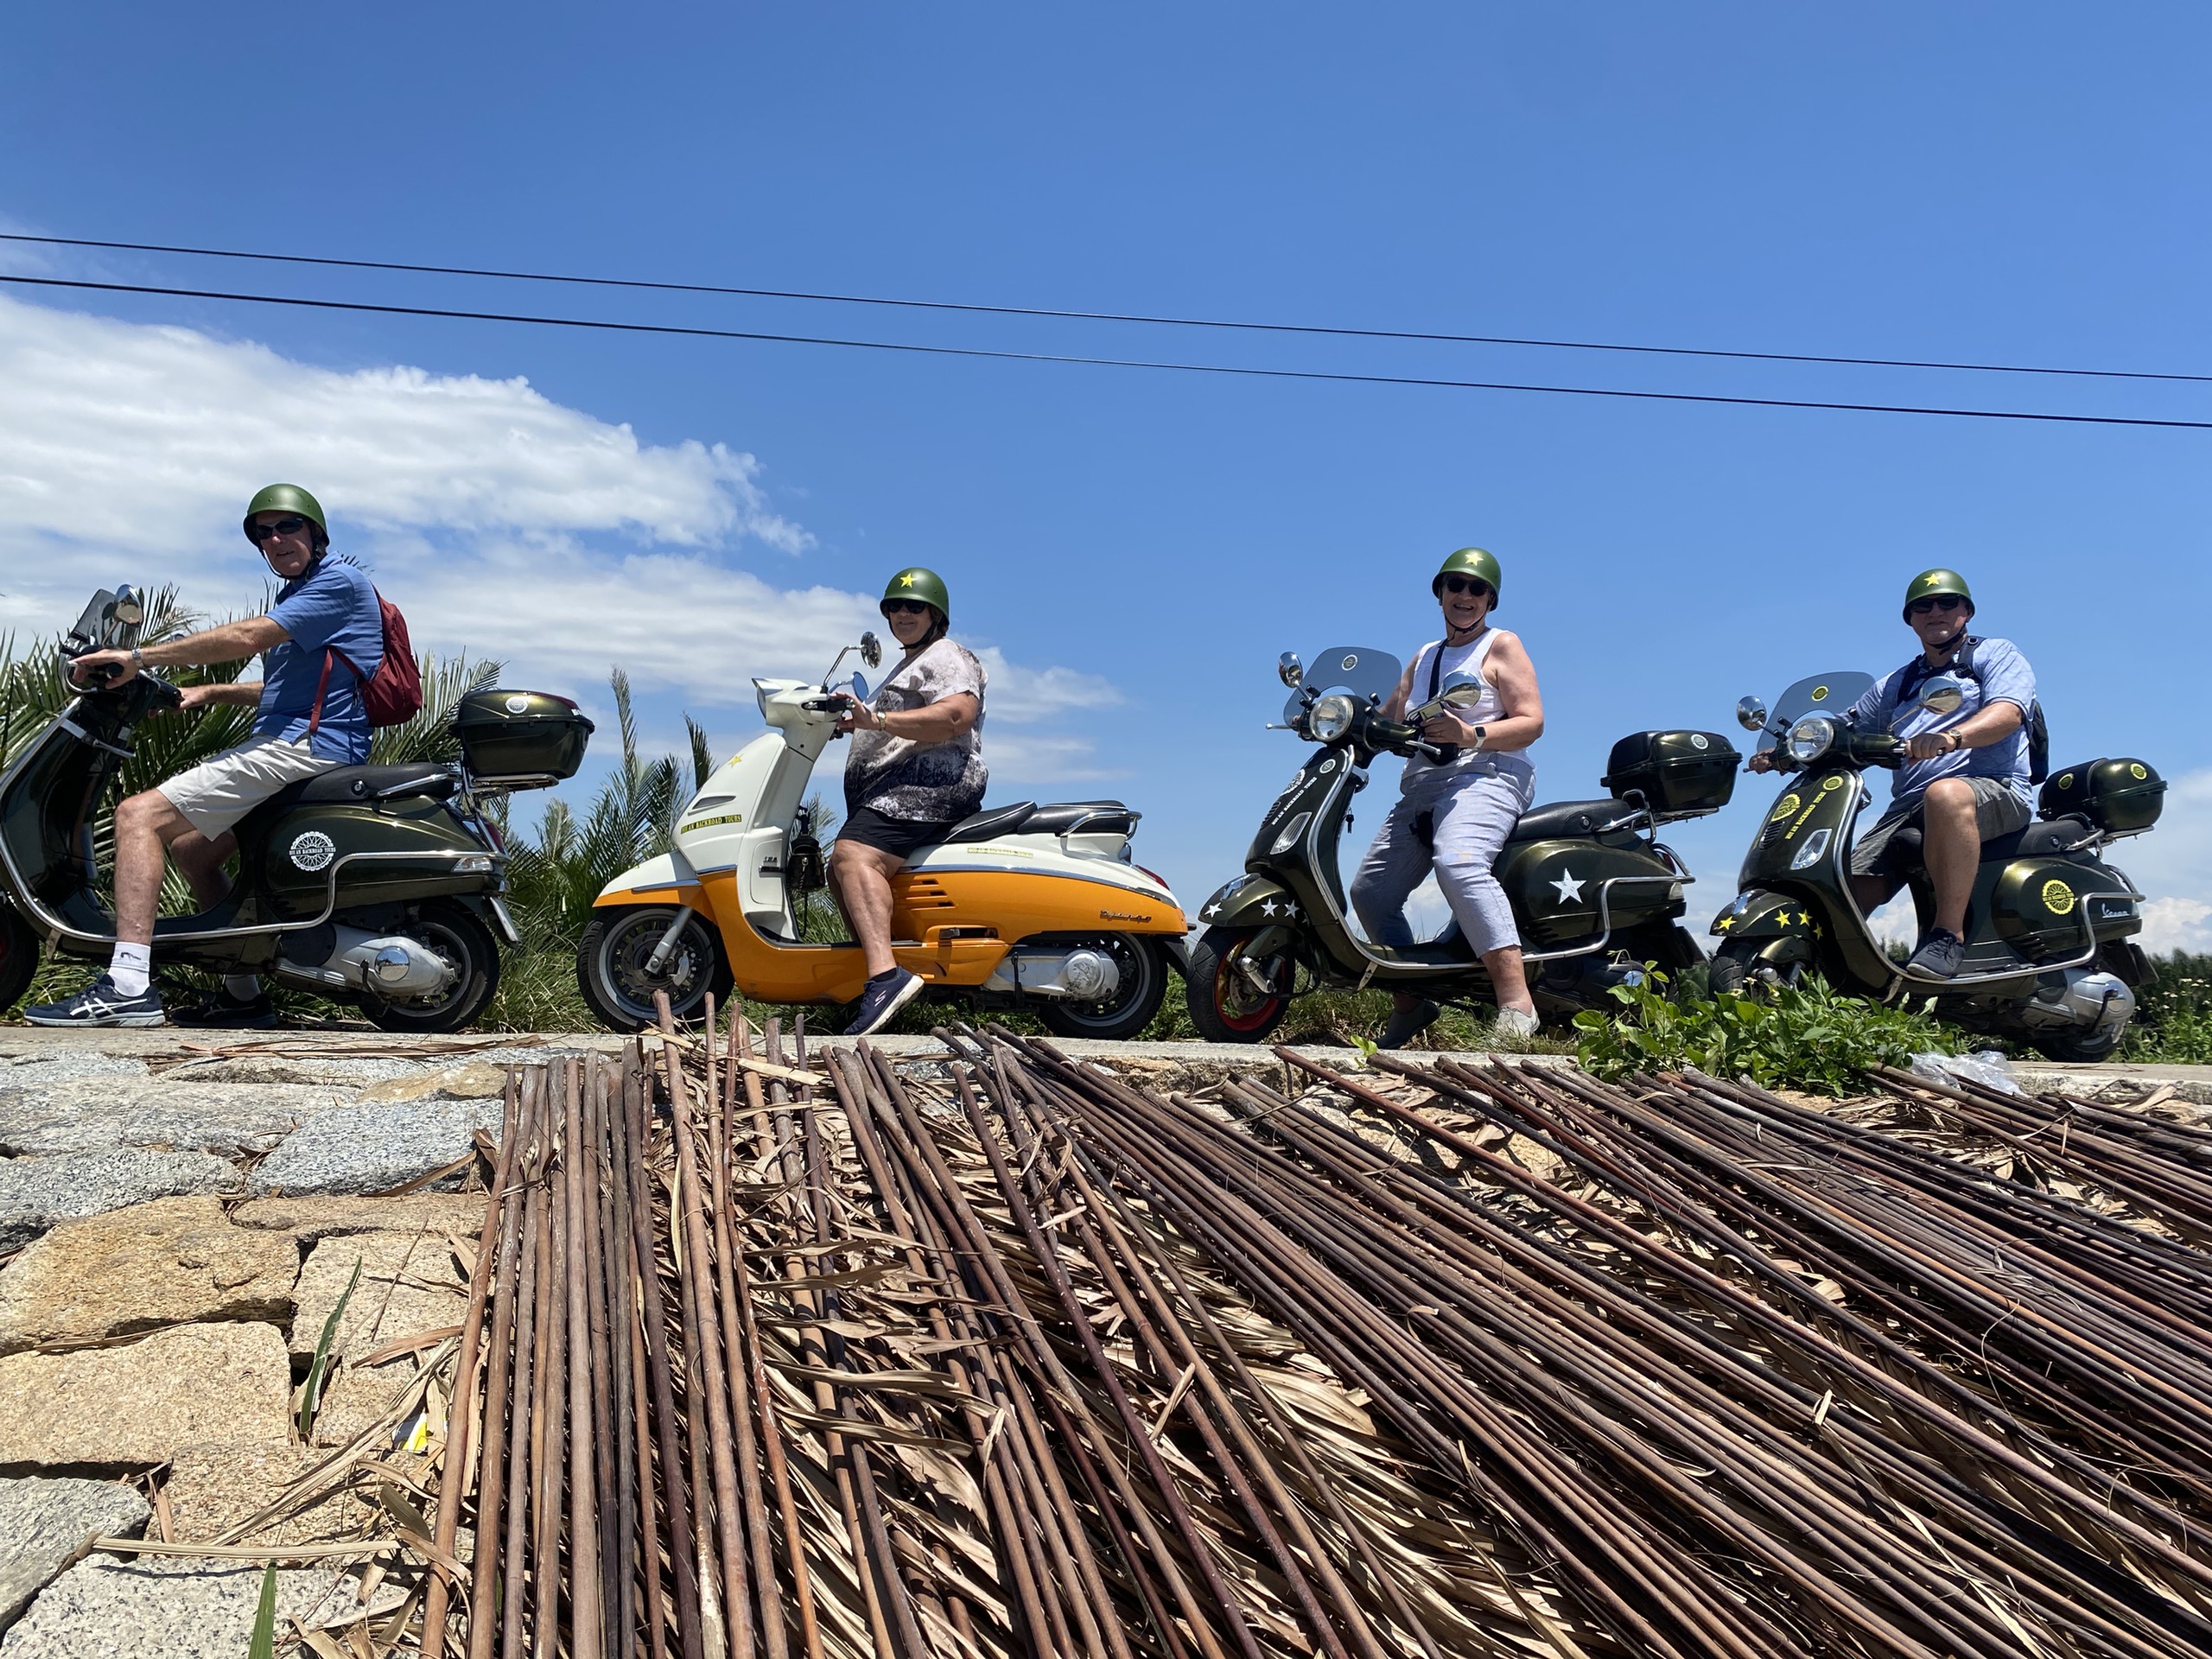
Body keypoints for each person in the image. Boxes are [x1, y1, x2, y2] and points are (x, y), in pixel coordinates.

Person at [23, 485, 384, 1027]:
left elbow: (246, 637)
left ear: (315, 533)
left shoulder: (338, 582)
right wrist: (210, 693)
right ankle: (244, 995)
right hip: (298, 740)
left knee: (138, 814)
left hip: (305, 747)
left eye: (287, 526)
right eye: (263, 532)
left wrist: (137, 655)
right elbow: (284, 690)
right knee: (195, 851)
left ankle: (126, 985)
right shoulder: (300, 596)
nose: (276, 539)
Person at [1751, 567, 2037, 978]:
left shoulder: (1995, 654)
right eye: (1922, 606)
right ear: (1911, 619)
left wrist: (1951, 737)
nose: (1935, 611)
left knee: (1945, 794)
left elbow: (2007, 713)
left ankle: (1947, 937)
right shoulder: (1896, 684)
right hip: (1908, 806)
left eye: (1946, 603)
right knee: (1844, 892)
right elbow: (1845, 729)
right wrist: (1785, 753)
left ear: (1966, 611)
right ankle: (1820, 976)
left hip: (1994, 789)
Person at [1349, 547, 1546, 1048]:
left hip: (1488, 772)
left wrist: (1471, 733)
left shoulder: (1502, 645)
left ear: (1490, 599)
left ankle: (1517, 1003)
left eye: (1477, 588)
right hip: (1423, 783)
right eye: (1455, 585)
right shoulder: (1425, 655)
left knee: (1458, 863)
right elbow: (1390, 720)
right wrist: (1346, 724)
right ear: (1440, 593)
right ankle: (1413, 1003)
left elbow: (1531, 722)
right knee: (1370, 892)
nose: (1465, 595)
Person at [829, 566, 988, 1035]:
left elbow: (957, 713)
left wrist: (874, 720)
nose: (902, 613)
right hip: (896, 790)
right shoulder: (907, 665)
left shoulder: (947, 654)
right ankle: (884, 981)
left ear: (935, 614)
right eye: (894, 606)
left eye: (914, 606)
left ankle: (885, 976)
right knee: (835, 871)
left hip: (931, 784)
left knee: (852, 855)